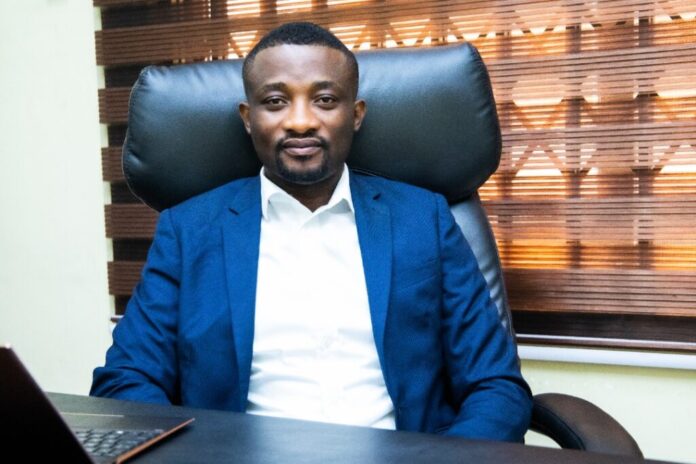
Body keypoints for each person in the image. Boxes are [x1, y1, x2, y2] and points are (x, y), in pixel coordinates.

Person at [91, 22, 532, 443]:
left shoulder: (424, 220)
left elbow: (496, 386)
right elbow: (125, 380)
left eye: (324, 100)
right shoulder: (189, 231)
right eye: (275, 101)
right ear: (248, 117)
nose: (300, 121)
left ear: (355, 114)